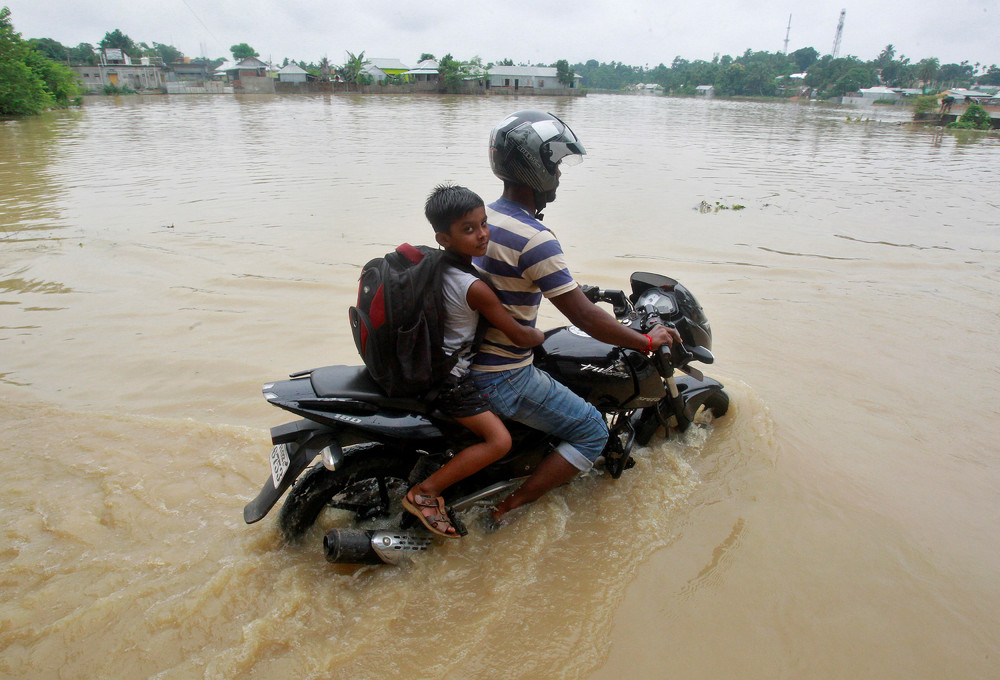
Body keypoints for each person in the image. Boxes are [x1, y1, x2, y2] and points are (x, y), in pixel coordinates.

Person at [471, 110, 680, 523]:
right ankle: (505, 510)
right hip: (502, 373)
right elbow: (585, 319)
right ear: (536, 168)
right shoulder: (535, 238)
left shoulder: (480, 220)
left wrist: (569, 289)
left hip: (466, 359)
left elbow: (508, 281)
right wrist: (647, 340)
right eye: (556, 165)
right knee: (591, 432)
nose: (560, 176)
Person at [402, 184, 545, 538]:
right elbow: (519, 335)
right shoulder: (475, 287)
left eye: (484, 224)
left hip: (425, 366)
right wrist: (541, 335)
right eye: (469, 229)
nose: (482, 235)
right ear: (444, 237)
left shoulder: (435, 265)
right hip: (451, 382)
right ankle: (425, 492)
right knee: (500, 442)